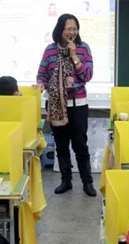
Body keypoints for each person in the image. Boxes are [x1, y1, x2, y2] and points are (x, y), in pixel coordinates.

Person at [36, 13, 96, 197]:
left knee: (80, 144)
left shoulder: (83, 48)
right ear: (60, 30)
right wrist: (40, 84)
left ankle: (87, 182)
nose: (72, 32)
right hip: (56, 104)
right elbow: (42, 74)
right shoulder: (50, 50)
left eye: (75, 29)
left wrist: (74, 56)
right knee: (61, 145)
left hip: (78, 103)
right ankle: (66, 181)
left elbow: (87, 76)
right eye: (68, 29)